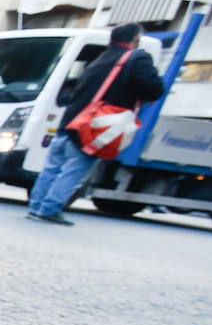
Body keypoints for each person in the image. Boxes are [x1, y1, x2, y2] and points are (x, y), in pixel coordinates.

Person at [28, 23, 165, 225]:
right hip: (93, 126)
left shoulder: (100, 59)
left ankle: (35, 207)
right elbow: (154, 89)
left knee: (52, 168)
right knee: (74, 170)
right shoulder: (136, 58)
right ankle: (49, 209)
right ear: (135, 39)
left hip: (70, 121)